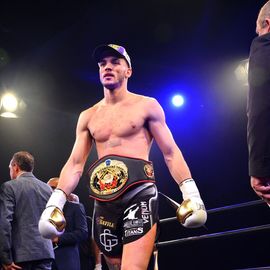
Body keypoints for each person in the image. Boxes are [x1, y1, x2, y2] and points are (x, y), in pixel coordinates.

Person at [39, 44, 207, 270]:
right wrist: (55, 202)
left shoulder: (147, 106)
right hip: (104, 199)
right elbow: (76, 163)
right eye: (102, 64)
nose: (107, 67)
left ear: (128, 71)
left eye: (115, 62)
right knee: (116, 266)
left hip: (139, 194)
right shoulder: (88, 116)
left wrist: (191, 193)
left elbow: (171, 152)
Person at [0, 151, 54, 270]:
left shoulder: (9, 187)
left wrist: (5, 258)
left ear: (15, 167)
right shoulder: (47, 189)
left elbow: (4, 224)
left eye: (10, 167)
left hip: (20, 257)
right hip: (45, 253)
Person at [247, 1, 270, 204]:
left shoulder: (265, 44)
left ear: (268, 24)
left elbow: (260, 107)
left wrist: (259, 169)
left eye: (259, 31)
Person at [47, 177, 88, 270]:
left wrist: (58, 239)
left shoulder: (75, 207)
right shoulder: (43, 209)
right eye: (47, 187)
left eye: (53, 187)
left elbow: (83, 233)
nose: (49, 190)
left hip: (67, 259)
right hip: (46, 260)